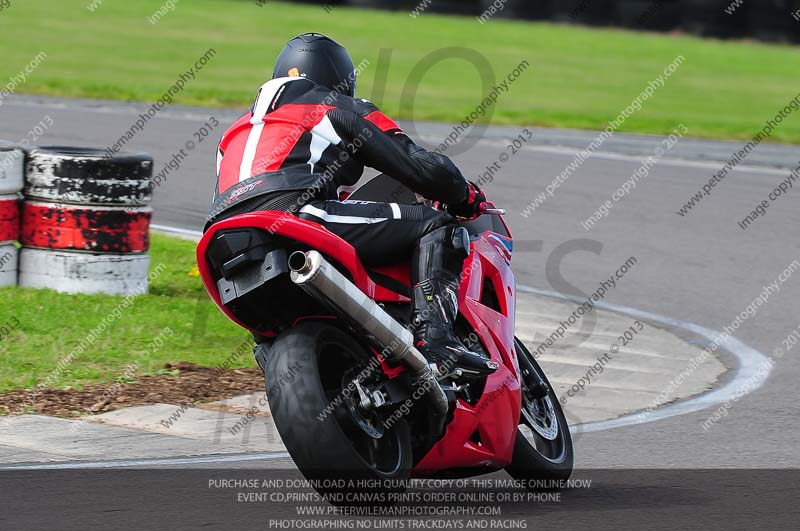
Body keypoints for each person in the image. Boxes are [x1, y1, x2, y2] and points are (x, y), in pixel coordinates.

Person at [207, 33, 497, 376]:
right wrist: (464, 195)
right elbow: (419, 167)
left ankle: (297, 366)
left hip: (222, 246)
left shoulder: (234, 132)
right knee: (436, 225)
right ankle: (436, 342)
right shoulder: (335, 106)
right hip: (293, 213)